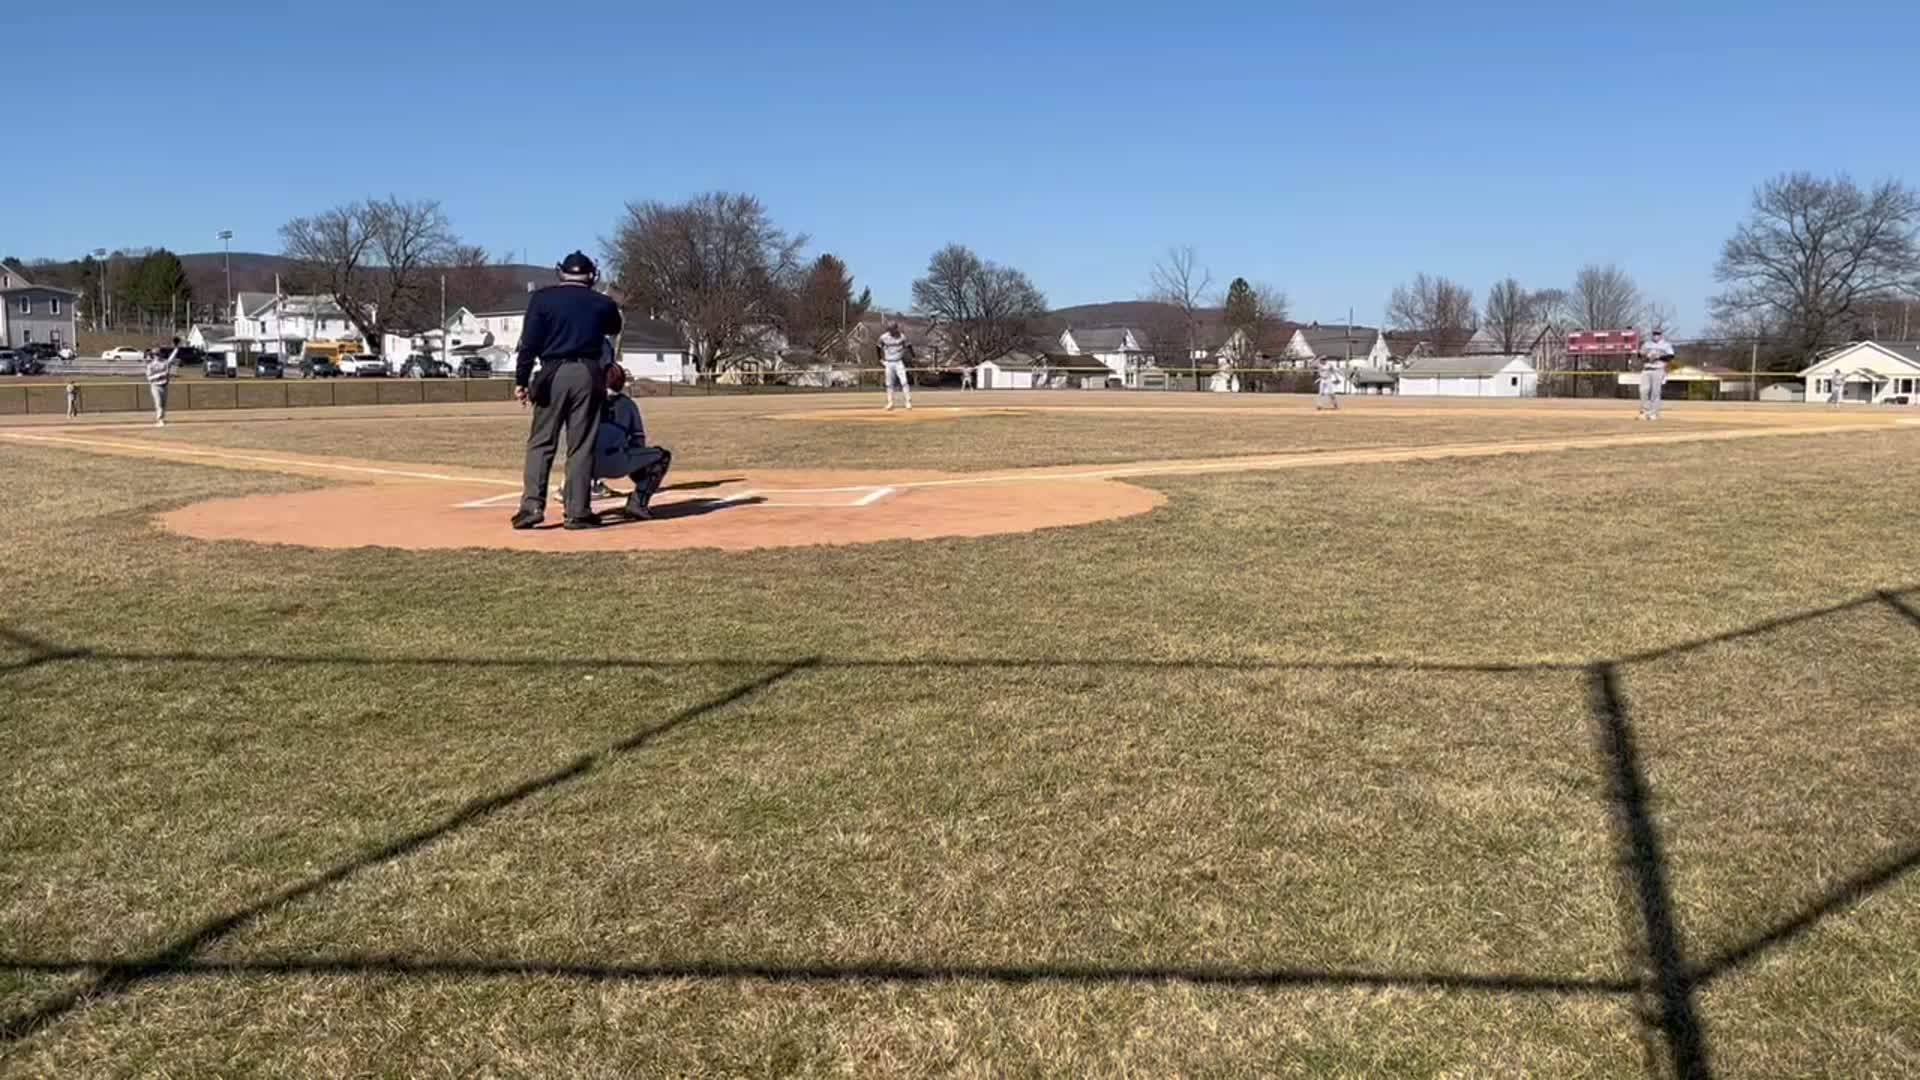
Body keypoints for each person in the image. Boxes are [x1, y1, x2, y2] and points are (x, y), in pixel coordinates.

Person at [511, 251, 624, 531]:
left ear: (560, 272)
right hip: (587, 373)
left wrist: (521, 380)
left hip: (552, 372)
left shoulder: (542, 299)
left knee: (541, 442)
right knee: (581, 444)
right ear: (591, 276)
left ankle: (532, 506)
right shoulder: (602, 303)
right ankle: (577, 511)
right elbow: (614, 326)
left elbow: (529, 344)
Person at [589, 363, 673, 519]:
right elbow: (638, 441)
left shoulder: (587, 401)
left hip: (585, 465)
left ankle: (576, 507)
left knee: (577, 456)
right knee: (662, 456)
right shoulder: (627, 403)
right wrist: (639, 474)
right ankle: (638, 502)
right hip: (618, 462)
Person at [1638, 329, 1674, 420]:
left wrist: (1658, 357)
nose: (1656, 335)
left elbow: (1670, 356)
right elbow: (1640, 354)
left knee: (1655, 392)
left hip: (1658, 369)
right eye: (1654, 334)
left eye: (1658, 334)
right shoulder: (1647, 344)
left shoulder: (1666, 345)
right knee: (1643, 391)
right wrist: (1646, 357)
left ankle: (1653, 413)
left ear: (1661, 335)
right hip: (1646, 369)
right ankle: (1644, 412)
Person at [877, 322, 913, 410]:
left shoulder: (902, 336)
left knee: (904, 382)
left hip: (898, 361)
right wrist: (880, 359)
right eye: (890, 329)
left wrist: (913, 356)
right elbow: (878, 347)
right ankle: (890, 403)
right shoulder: (883, 337)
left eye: (893, 329)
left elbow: (909, 346)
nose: (892, 331)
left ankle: (908, 402)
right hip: (889, 362)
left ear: (896, 329)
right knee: (889, 384)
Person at [146, 339, 180, 426]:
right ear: (153, 355)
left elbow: (172, 358)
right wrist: (159, 375)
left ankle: (162, 418)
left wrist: (176, 347)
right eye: (156, 354)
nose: (157, 355)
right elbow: (149, 378)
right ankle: (159, 420)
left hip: (164, 385)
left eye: (158, 353)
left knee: (163, 404)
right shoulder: (150, 365)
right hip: (155, 386)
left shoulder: (165, 363)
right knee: (158, 403)